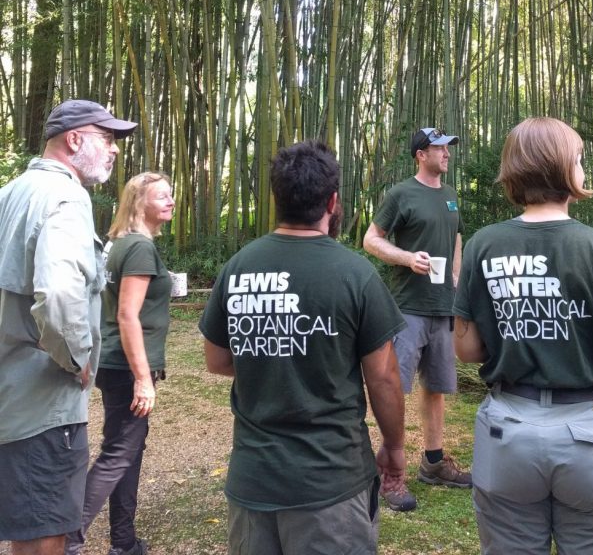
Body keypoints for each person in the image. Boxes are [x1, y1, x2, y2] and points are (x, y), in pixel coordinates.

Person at [453, 117, 593, 555]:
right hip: (588, 436)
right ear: (566, 168)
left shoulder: (483, 245)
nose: (583, 168)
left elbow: (466, 350)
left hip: (508, 431)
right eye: (580, 159)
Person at [199, 140, 407, 555]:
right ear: (332, 201)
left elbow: (217, 359)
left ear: (277, 198)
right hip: (329, 482)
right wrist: (395, 446)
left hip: (253, 478)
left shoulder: (238, 268)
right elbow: (382, 376)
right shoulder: (355, 274)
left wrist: (275, 352)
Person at [0, 99, 137, 555]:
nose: (114, 150)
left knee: (26, 529)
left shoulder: (11, 192)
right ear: (74, 139)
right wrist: (77, 358)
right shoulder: (66, 197)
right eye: (107, 138)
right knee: (45, 534)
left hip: (9, 395)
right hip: (43, 406)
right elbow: (58, 294)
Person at [66, 172, 176, 555]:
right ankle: (66, 540)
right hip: (128, 363)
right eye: (161, 195)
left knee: (128, 448)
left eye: (171, 195)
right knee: (118, 453)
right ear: (138, 202)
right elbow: (128, 315)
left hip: (113, 359)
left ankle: (124, 542)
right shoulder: (140, 249)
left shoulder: (117, 244)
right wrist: (144, 380)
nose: (171, 201)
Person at [363, 126, 471, 512]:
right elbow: (371, 240)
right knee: (395, 388)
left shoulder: (452, 196)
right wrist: (407, 258)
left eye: (448, 148)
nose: (447, 154)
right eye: (440, 148)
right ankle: (389, 473)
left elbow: (456, 239)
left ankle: (434, 461)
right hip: (406, 305)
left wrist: (457, 281)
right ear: (421, 154)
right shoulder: (400, 194)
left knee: (437, 387)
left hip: (443, 305)